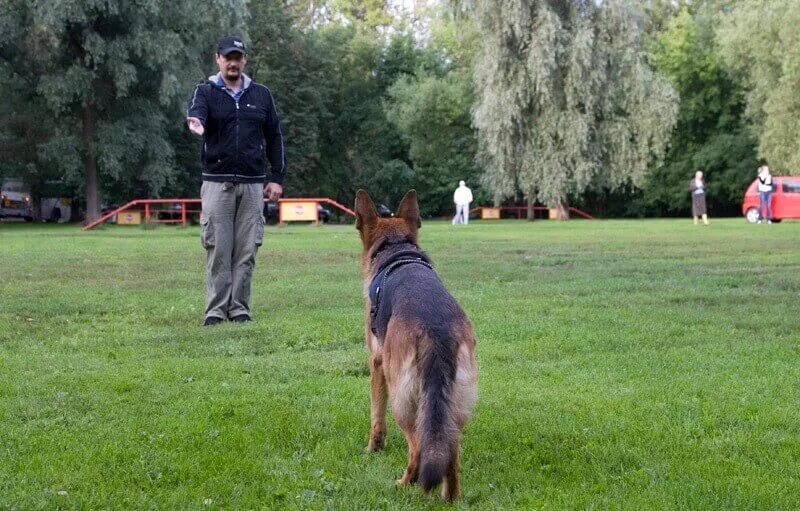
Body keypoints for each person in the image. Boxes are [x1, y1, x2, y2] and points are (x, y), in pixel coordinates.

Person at [186, 36, 286, 326]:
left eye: (238, 57)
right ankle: (216, 311)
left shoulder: (262, 95)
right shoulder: (204, 91)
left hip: (253, 184)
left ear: (245, 60)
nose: (233, 62)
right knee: (218, 247)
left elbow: (275, 137)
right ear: (217, 58)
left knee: (246, 250)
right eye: (227, 57)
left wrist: (277, 178)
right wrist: (196, 123)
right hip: (217, 182)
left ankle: (239, 309)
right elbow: (196, 114)